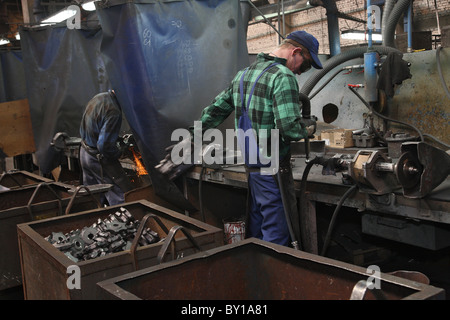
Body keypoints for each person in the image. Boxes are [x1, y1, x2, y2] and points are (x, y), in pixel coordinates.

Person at [159, 30, 322, 247]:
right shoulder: (283, 76)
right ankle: (276, 277)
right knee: (278, 235)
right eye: (306, 65)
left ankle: (257, 275)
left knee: (257, 229)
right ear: (296, 52)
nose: (301, 72)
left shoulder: (243, 75)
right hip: (273, 171)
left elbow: (215, 111)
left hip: (252, 170)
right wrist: (309, 128)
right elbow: (290, 128)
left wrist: (191, 137)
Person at [79, 90, 133, 206]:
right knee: (122, 195)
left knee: (93, 196)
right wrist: (119, 153)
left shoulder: (99, 97)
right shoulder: (114, 111)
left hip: (84, 152)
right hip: (97, 158)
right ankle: (120, 223)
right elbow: (104, 146)